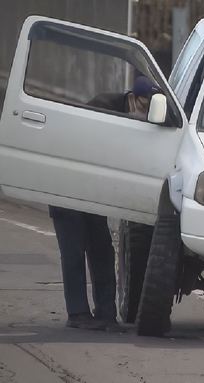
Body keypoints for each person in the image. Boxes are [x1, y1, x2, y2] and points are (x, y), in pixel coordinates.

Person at [52, 76, 160, 330]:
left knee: (102, 249)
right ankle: (77, 314)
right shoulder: (103, 107)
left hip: (91, 192)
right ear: (133, 99)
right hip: (66, 186)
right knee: (74, 251)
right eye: (143, 108)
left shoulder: (140, 126)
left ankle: (106, 313)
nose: (144, 115)